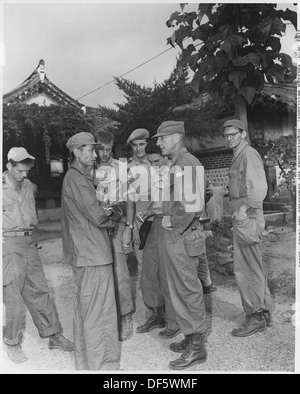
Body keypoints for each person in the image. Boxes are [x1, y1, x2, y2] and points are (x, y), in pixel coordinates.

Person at [2, 147, 73, 364]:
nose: (24, 175)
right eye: (20, 171)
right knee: (13, 296)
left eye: (27, 171)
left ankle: (54, 335)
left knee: (40, 290)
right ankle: (12, 342)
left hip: (29, 243)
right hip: (8, 245)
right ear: (9, 166)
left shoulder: (29, 187)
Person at [61, 132, 121, 370]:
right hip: (92, 253)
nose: (95, 154)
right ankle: (102, 366)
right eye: (90, 149)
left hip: (89, 253)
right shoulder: (76, 180)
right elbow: (99, 216)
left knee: (87, 308)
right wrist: (115, 211)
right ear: (77, 152)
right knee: (99, 311)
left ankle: (88, 362)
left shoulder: (77, 178)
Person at [153, 120, 208, 370]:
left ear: (176, 137)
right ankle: (190, 337)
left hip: (183, 234)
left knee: (188, 290)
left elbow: (190, 205)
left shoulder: (187, 163)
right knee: (178, 288)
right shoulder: (176, 163)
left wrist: (171, 220)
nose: (158, 142)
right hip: (178, 234)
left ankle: (198, 347)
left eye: (162, 138)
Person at [223, 119, 272, 337]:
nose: (229, 138)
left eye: (233, 134)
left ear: (243, 134)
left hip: (248, 216)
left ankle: (256, 317)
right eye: (227, 135)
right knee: (253, 266)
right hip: (245, 217)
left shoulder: (248, 155)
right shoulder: (239, 156)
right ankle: (263, 311)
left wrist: (242, 209)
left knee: (246, 269)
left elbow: (259, 189)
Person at [93, 130, 134, 341]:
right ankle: (107, 317)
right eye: (101, 149)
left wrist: (129, 226)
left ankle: (125, 315)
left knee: (120, 272)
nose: (104, 154)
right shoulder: (88, 169)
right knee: (99, 273)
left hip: (116, 225)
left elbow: (130, 199)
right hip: (96, 228)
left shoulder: (121, 168)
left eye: (109, 149)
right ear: (95, 148)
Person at [135, 141, 172, 334]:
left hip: (170, 225)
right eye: (151, 162)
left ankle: (174, 319)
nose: (154, 166)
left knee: (169, 273)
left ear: (166, 156)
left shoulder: (177, 172)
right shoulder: (155, 174)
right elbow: (156, 201)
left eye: (157, 161)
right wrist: (149, 212)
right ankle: (156, 314)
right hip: (155, 224)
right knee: (149, 271)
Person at [122, 128, 152, 282]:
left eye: (142, 144)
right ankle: (147, 306)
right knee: (143, 269)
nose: (139, 148)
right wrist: (130, 228)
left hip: (159, 221)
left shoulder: (157, 161)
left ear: (148, 143)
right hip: (140, 223)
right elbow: (129, 200)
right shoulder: (128, 168)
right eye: (135, 145)